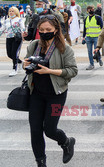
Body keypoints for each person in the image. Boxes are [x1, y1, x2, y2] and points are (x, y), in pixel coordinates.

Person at [24, 15, 78, 167]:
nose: (44, 32)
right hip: (36, 93)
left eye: (48, 29)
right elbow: (27, 62)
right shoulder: (34, 45)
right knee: (35, 131)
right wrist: (25, 65)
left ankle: (66, 142)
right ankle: (41, 163)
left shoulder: (64, 48)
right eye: (41, 30)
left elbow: (72, 71)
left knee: (50, 129)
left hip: (56, 94)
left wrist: (50, 71)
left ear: (56, 30)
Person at [0, 6, 25, 76]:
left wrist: (23, 35)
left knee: (14, 54)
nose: (11, 12)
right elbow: (2, 29)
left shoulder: (19, 20)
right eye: (10, 11)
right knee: (9, 54)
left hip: (16, 38)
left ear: (16, 12)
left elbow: (23, 28)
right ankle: (20, 62)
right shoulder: (6, 20)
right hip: (8, 38)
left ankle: (14, 69)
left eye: (12, 11)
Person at [82, 5, 104, 70]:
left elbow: (102, 27)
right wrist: (83, 37)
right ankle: (91, 64)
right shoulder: (86, 19)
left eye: (92, 9)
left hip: (96, 37)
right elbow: (85, 28)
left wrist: (103, 36)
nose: (91, 10)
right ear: (87, 10)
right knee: (89, 51)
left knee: (96, 50)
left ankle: (99, 59)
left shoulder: (98, 17)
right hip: (88, 37)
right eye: (89, 9)